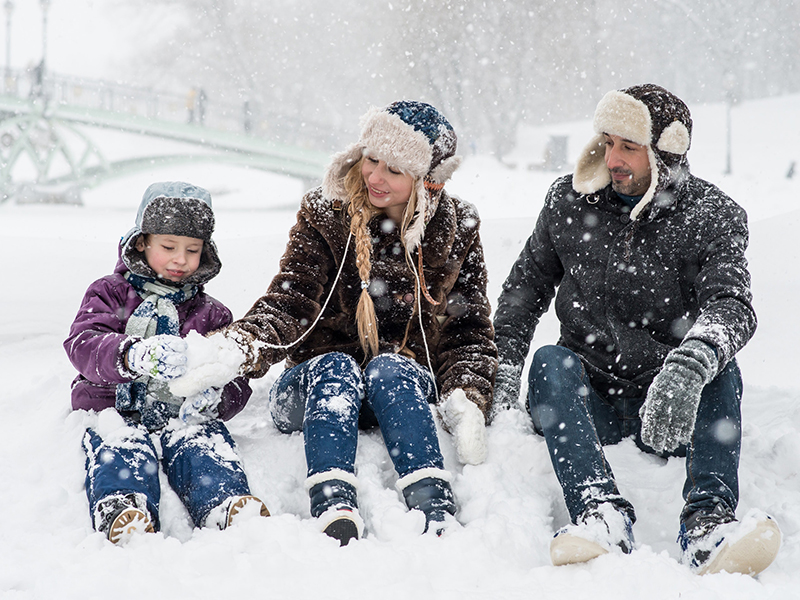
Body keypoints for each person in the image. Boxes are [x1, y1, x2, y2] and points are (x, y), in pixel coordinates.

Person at [172, 101, 497, 545]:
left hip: (396, 393)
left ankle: (432, 502)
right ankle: (333, 499)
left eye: (395, 170)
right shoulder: (326, 212)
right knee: (337, 368)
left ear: (427, 181)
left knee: (392, 367)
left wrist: (467, 394)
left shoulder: (459, 226)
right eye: (372, 159)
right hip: (314, 388)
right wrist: (239, 345)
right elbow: (291, 299)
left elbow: (469, 328)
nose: (375, 177)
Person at [493, 84, 781, 575]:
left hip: (669, 408)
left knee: (721, 367)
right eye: (607, 142)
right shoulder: (567, 202)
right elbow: (522, 295)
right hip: (588, 400)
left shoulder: (711, 215)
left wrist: (690, 366)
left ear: (664, 154)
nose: (613, 158)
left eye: (629, 146)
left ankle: (708, 524)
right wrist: (499, 376)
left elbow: (732, 304)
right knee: (548, 362)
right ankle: (599, 512)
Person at [64, 181, 269, 545]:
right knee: (121, 445)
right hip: (113, 407)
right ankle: (124, 505)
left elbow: (234, 376)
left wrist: (217, 398)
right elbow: (83, 343)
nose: (180, 260)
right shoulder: (110, 293)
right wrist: (131, 354)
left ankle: (224, 502)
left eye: (192, 250)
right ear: (142, 242)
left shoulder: (212, 314)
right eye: (169, 247)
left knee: (203, 443)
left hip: (181, 415)